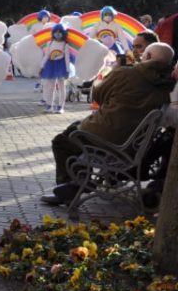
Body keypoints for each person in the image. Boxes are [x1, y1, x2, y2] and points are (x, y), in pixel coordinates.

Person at [42, 42, 176, 206]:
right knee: (75, 129)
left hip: (104, 139)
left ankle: (75, 185)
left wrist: (115, 75)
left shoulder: (127, 73)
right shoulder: (168, 85)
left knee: (61, 141)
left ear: (147, 56)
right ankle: (78, 182)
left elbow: (98, 95)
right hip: (134, 147)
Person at [38, 24, 74, 115]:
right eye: (56, 32)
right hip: (51, 65)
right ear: (53, 33)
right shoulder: (50, 43)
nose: (57, 34)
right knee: (51, 87)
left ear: (63, 33)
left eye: (60, 32)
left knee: (62, 87)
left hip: (61, 66)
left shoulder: (65, 44)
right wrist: (42, 67)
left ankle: (61, 106)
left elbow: (67, 58)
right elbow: (46, 56)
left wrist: (67, 70)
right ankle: (49, 105)